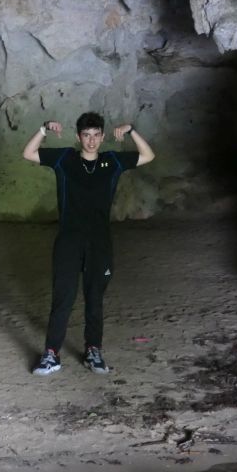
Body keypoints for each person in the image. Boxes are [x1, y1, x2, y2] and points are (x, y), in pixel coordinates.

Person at [21, 112, 155, 375]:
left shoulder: (113, 161)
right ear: (78, 136)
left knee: (95, 298)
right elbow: (28, 153)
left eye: (96, 135)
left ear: (103, 137)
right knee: (64, 296)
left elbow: (148, 156)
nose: (91, 141)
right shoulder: (65, 159)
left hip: (99, 242)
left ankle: (93, 351)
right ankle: (51, 354)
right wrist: (43, 128)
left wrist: (132, 130)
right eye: (86, 135)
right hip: (69, 241)